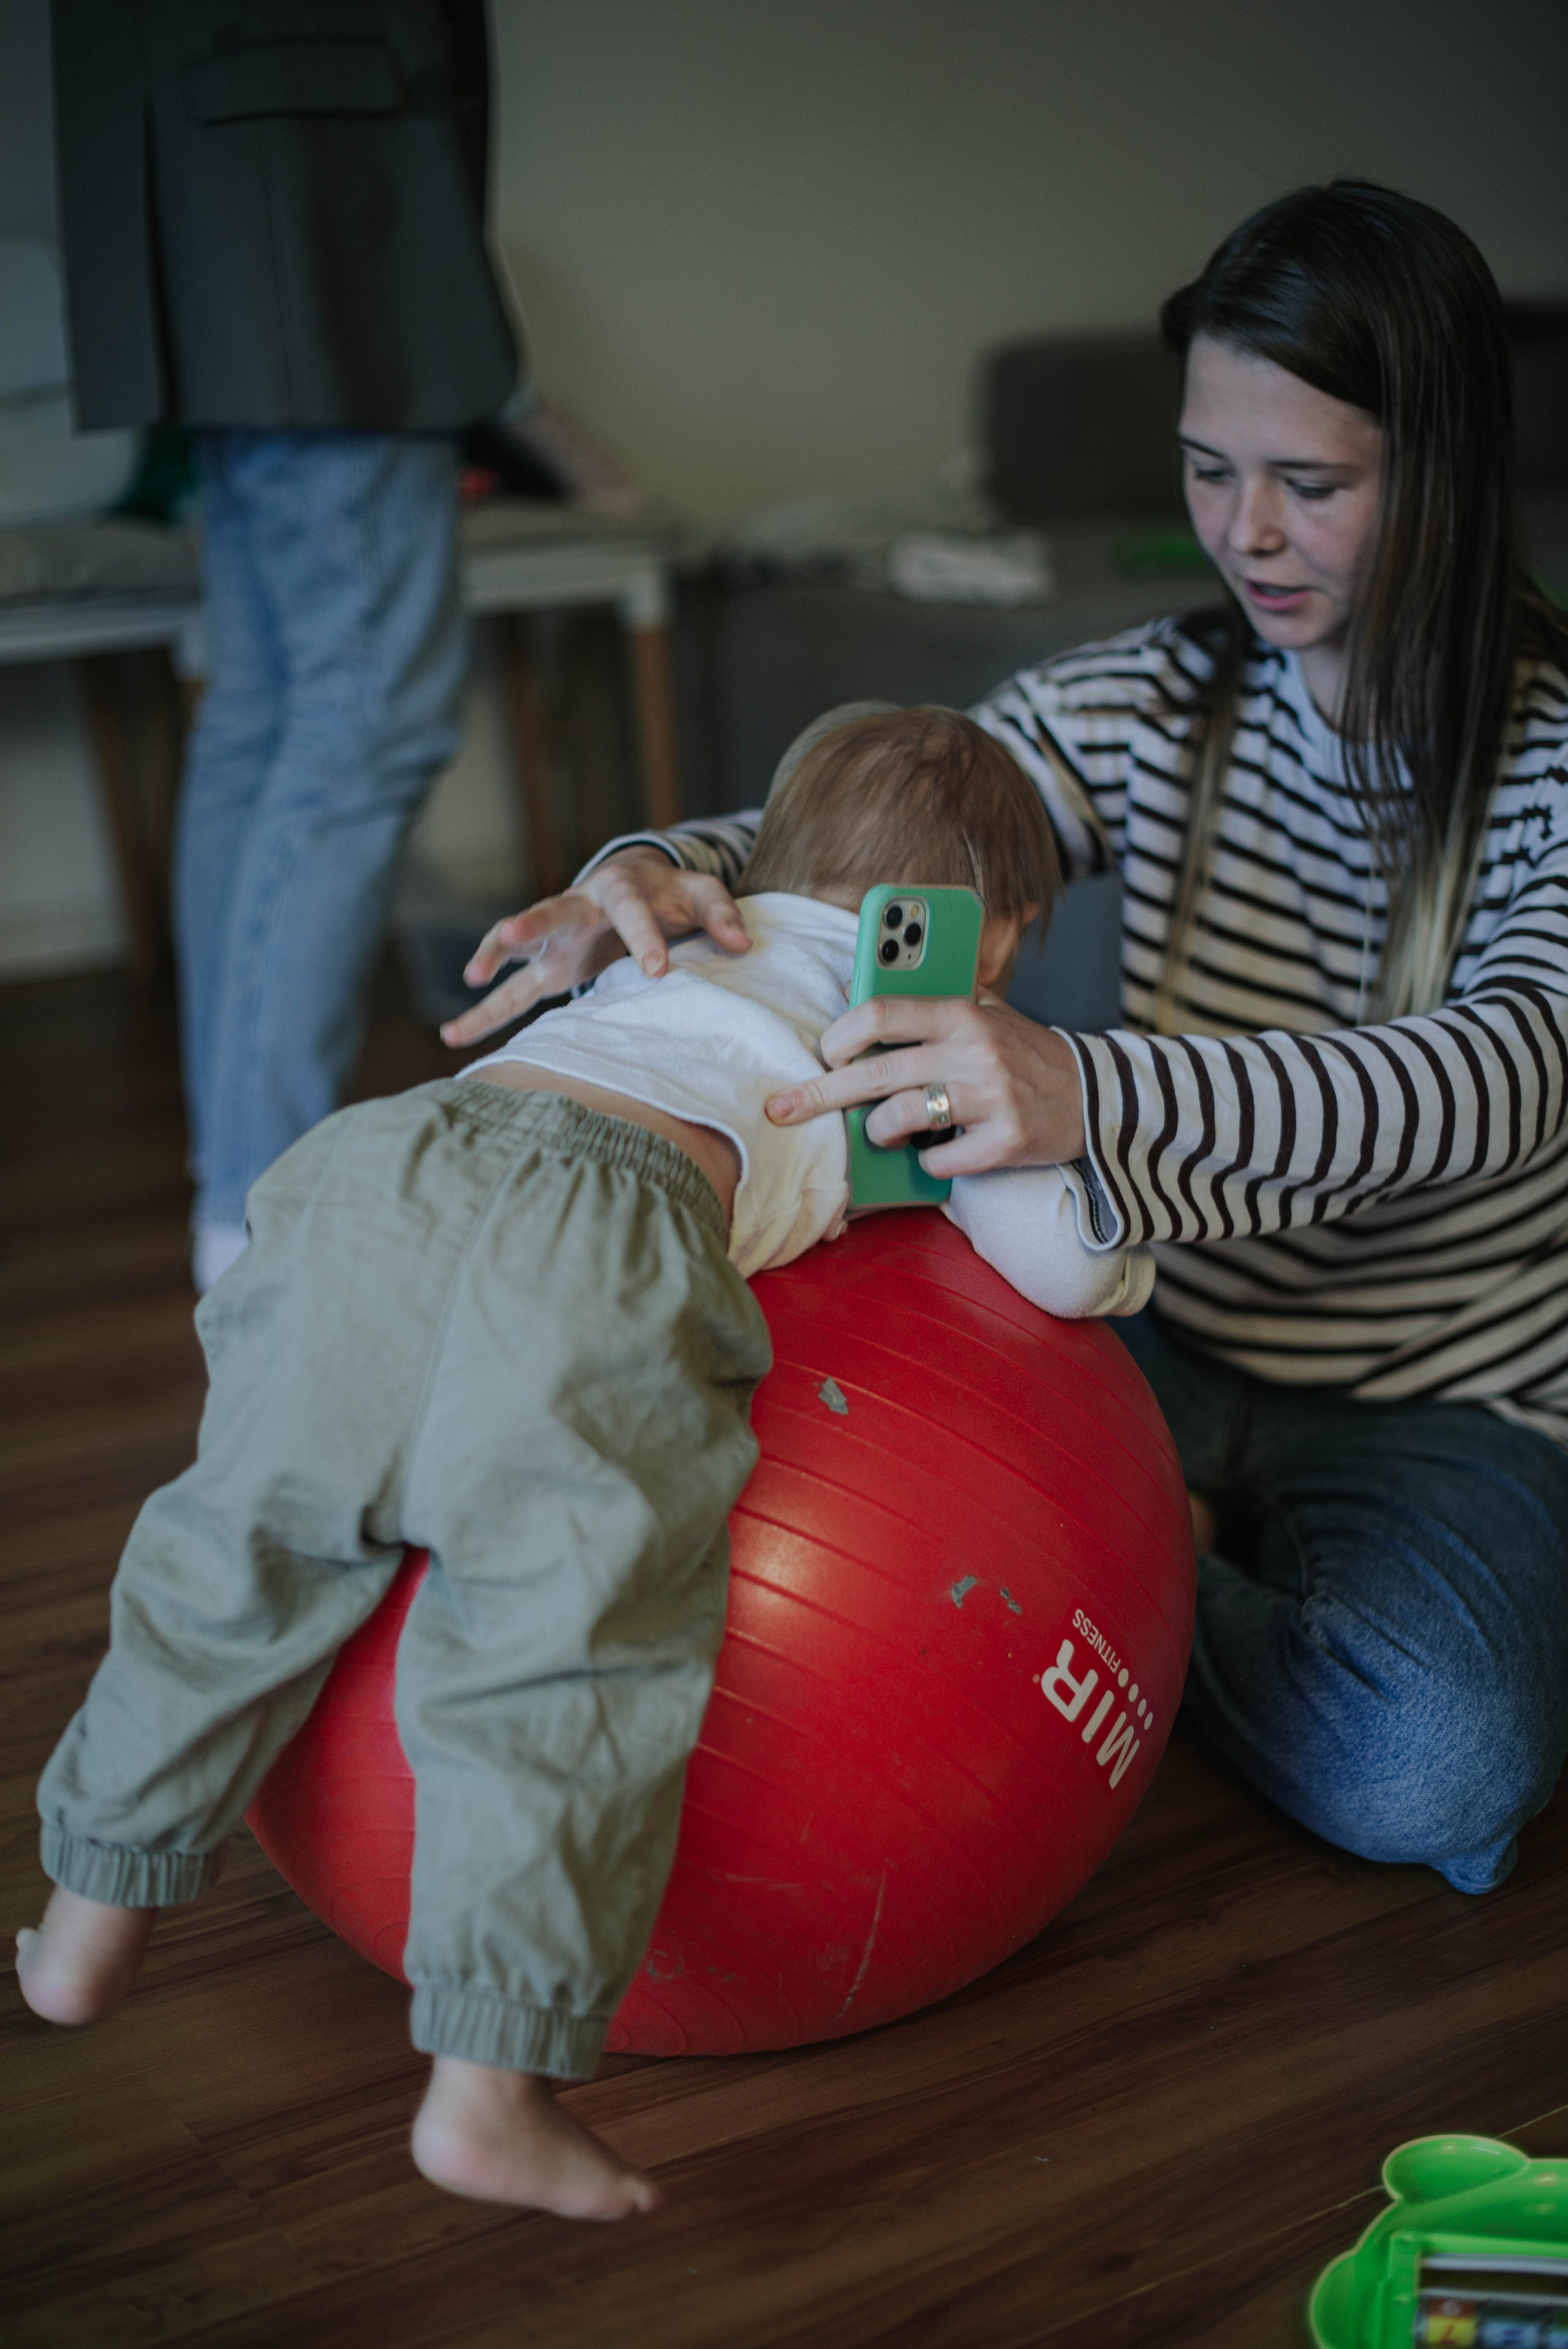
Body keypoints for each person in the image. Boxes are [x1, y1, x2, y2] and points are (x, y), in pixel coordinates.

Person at [446, 181, 1568, 1900]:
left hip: (1453, 1394)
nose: (1246, 531)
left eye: (1312, 483)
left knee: (1438, 1770)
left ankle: (1143, 1590)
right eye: (1209, 469)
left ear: (1450, 472)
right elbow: (890, 813)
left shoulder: (1552, 761)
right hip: (1156, 1323)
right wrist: (654, 869)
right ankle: (1153, 1575)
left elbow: (1511, 1068)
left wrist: (1081, 1084)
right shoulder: (1146, 699)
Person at [19, 706, 1148, 2220]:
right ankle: (484, 2088)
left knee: (238, 1548)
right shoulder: (914, 1038)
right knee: (562, 1641)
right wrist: (1094, 1221)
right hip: (601, 1237)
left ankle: (88, 1915)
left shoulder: (671, 939)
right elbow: (1065, 1274)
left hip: (386, 1164)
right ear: (987, 943)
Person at [52, 0, 520, 1292]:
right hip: (311, 183)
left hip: (223, 177)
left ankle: (239, 1200)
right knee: (367, 715)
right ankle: (259, 1213)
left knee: (266, 715)